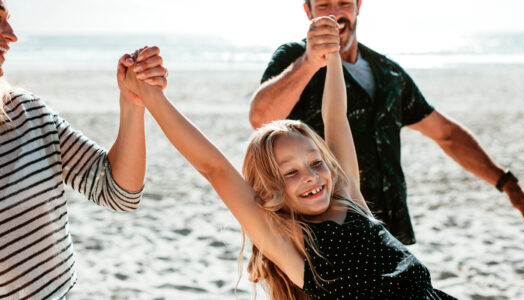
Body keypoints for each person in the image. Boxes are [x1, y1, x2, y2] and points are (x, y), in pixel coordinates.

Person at [121, 35, 456, 299]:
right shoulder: (290, 243)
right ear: (270, 189)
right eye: (291, 172)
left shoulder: (350, 201)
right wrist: (152, 98)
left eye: (315, 162)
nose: (311, 176)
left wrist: (333, 52)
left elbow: (335, 115)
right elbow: (215, 168)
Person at [249, 1, 524, 245]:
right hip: (327, 233)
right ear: (308, 10)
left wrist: (506, 183)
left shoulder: (388, 73)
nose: (336, 13)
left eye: (344, 3)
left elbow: (445, 134)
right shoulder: (294, 57)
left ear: (359, 5)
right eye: (325, 4)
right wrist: (312, 60)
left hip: (389, 233)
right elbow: (260, 119)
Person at [0, 1, 167, 298]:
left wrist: (132, 103)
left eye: (7, 19)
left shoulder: (27, 112)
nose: (11, 35)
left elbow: (118, 192)